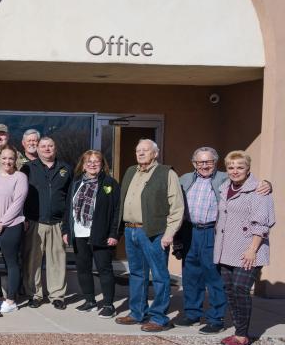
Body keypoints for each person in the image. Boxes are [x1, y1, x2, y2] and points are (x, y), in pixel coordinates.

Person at [174, 147, 271, 334]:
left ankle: (215, 318)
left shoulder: (225, 178)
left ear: (215, 163)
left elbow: (249, 182)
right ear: (194, 164)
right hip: (189, 231)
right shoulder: (184, 179)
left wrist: (268, 184)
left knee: (214, 276)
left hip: (213, 231)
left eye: (209, 162)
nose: (204, 165)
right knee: (190, 274)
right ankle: (192, 314)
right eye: (200, 162)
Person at [116, 139, 184, 332]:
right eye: (138, 150)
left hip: (154, 231)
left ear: (155, 153)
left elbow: (177, 207)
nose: (141, 153)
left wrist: (169, 233)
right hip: (131, 230)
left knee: (160, 276)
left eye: (146, 150)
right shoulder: (131, 171)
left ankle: (159, 317)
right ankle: (137, 313)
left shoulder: (166, 173)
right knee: (137, 274)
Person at [214, 151, 275, 345]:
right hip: (226, 249)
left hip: (248, 250)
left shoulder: (259, 190)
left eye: (240, 167)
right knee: (230, 291)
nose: (235, 171)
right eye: (231, 167)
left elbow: (262, 223)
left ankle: (242, 336)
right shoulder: (224, 187)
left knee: (241, 289)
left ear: (248, 169)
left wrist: (252, 249)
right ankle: (238, 331)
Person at [63, 151, 120, 319]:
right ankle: (90, 301)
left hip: (101, 234)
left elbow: (117, 210)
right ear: (83, 164)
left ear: (102, 164)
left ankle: (109, 305)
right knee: (83, 269)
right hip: (80, 232)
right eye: (89, 161)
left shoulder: (109, 183)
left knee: (104, 269)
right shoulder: (76, 182)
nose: (92, 164)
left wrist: (114, 233)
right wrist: (66, 230)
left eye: (96, 161)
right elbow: (69, 208)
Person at [21, 136, 72, 309]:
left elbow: (70, 199)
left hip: (57, 223)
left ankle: (57, 295)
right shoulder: (28, 168)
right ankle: (34, 294)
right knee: (33, 261)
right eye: (43, 146)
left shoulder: (65, 168)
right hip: (35, 222)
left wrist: (67, 226)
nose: (47, 149)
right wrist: (24, 218)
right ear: (37, 149)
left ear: (55, 148)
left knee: (57, 260)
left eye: (50, 146)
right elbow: (21, 195)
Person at [0, 146, 28, 314]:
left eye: (10, 158)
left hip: (11, 226)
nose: (7, 161)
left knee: (11, 263)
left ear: (15, 160)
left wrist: (1, 222)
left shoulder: (20, 177)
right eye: (4, 158)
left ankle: (11, 300)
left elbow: (18, 203)